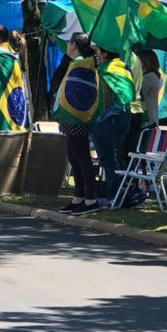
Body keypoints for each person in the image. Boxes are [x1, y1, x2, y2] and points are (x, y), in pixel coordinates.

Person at [52, 32, 102, 213]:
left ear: (74, 44)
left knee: (82, 158)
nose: (66, 44)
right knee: (74, 158)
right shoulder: (77, 61)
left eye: (68, 41)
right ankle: (78, 196)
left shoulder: (81, 63)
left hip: (77, 117)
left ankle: (91, 199)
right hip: (70, 117)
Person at [94, 47, 135, 205]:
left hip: (108, 117)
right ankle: (123, 193)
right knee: (118, 157)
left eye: (98, 51)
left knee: (107, 157)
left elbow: (107, 96)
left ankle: (113, 196)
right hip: (125, 115)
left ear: (105, 53)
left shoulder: (105, 69)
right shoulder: (124, 66)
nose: (97, 54)